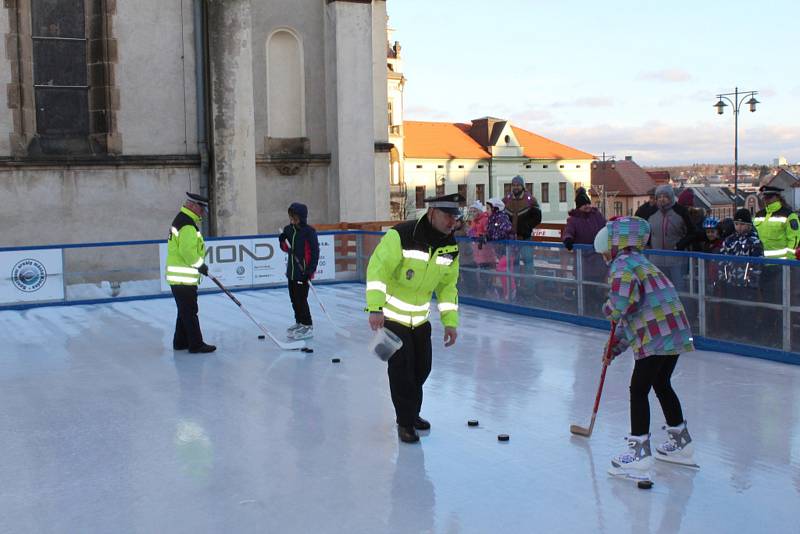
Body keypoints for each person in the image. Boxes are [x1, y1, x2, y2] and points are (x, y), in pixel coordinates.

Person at [593, 216, 696, 480]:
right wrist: (614, 347)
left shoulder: (622, 265)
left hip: (656, 334)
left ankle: (639, 453)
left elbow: (622, 305)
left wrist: (609, 309)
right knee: (661, 382)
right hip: (674, 331)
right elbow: (635, 311)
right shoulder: (642, 263)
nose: (604, 255)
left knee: (638, 389)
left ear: (616, 244)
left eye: (605, 249)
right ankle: (681, 443)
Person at [366, 193, 462, 443]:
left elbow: (447, 287)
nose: (452, 222)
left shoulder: (450, 246)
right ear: (432, 212)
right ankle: (405, 422)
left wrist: (450, 321)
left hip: (420, 321)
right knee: (401, 371)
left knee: (422, 368)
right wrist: (375, 307)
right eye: (448, 216)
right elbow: (378, 270)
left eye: (456, 217)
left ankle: (412, 412)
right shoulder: (401, 235)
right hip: (394, 319)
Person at [165, 192, 216, 353]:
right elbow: (187, 252)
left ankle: (180, 341)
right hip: (183, 278)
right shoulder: (187, 225)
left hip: (180, 278)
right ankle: (196, 344)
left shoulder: (182, 220)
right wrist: (201, 266)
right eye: (202, 209)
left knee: (184, 311)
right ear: (194, 206)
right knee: (190, 311)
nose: (203, 213)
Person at [717, 209, 764, 338]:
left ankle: (747, 333)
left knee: (747, 309)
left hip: (748, 284)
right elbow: (722, 260)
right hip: (731, 282)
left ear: (749, 225)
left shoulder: (754, 242)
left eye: (742, 224)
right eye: (737, 224)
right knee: (733, 307)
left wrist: (751, 280)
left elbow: (758, 264)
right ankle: (734, 331)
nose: (739, 227)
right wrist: (724, 277)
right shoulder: (729, 240)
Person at [279, 203, 320, 340]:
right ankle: (299, 322)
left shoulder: (309, 232)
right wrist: (282, 241)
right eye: (291, 218)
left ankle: (307, 325)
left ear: (302, 217)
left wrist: (310, 271)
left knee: (302, 300)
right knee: (294, 299)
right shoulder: (288, 230)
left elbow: (315, 253)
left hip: (303, 272)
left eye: (295, 218)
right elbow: (286, 249)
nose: (292, 221)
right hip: (292, 272)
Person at [646, 185, 694, 291]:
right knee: (658, 289)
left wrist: (680, 245)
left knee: (678, 289)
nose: (662, 199)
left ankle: (680, 307)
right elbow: (646, 231)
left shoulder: (680, 211)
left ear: (671, 197)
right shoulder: (651, 213)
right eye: (659, 197)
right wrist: (648, 245)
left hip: (676, 260)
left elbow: (692, 232)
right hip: (656, 259)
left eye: (665, 196)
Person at [754, 185, 800, 261]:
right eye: (764, 197)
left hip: (781, 263)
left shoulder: (789, 215)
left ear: (778, 197)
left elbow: (794, 239)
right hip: (761, 261)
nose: (766, 200)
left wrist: (789, 259)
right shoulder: (759, 215)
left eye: (769, 197)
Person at [503, 175, 542, 240]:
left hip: (525, 237)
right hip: (510, 237)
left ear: (522, 186)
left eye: (518, 185)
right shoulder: (507, 199)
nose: (515, 187)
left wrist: (527, 226)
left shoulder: (530, 200)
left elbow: (537, 218)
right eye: (514, 185)